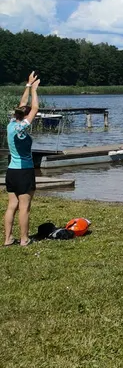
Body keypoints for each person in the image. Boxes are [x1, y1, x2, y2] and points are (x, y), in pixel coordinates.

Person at [5, 72, 40, 247]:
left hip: (11, 171)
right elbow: (34, 108)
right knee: (25, 207)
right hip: (24, 172)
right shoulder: (21, 128)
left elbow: (23, 105)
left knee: (12, 205)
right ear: (25, 117)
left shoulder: (11, 124)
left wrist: (28, 84)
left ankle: (8, 238)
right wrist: (34, 90)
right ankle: (24, 239)